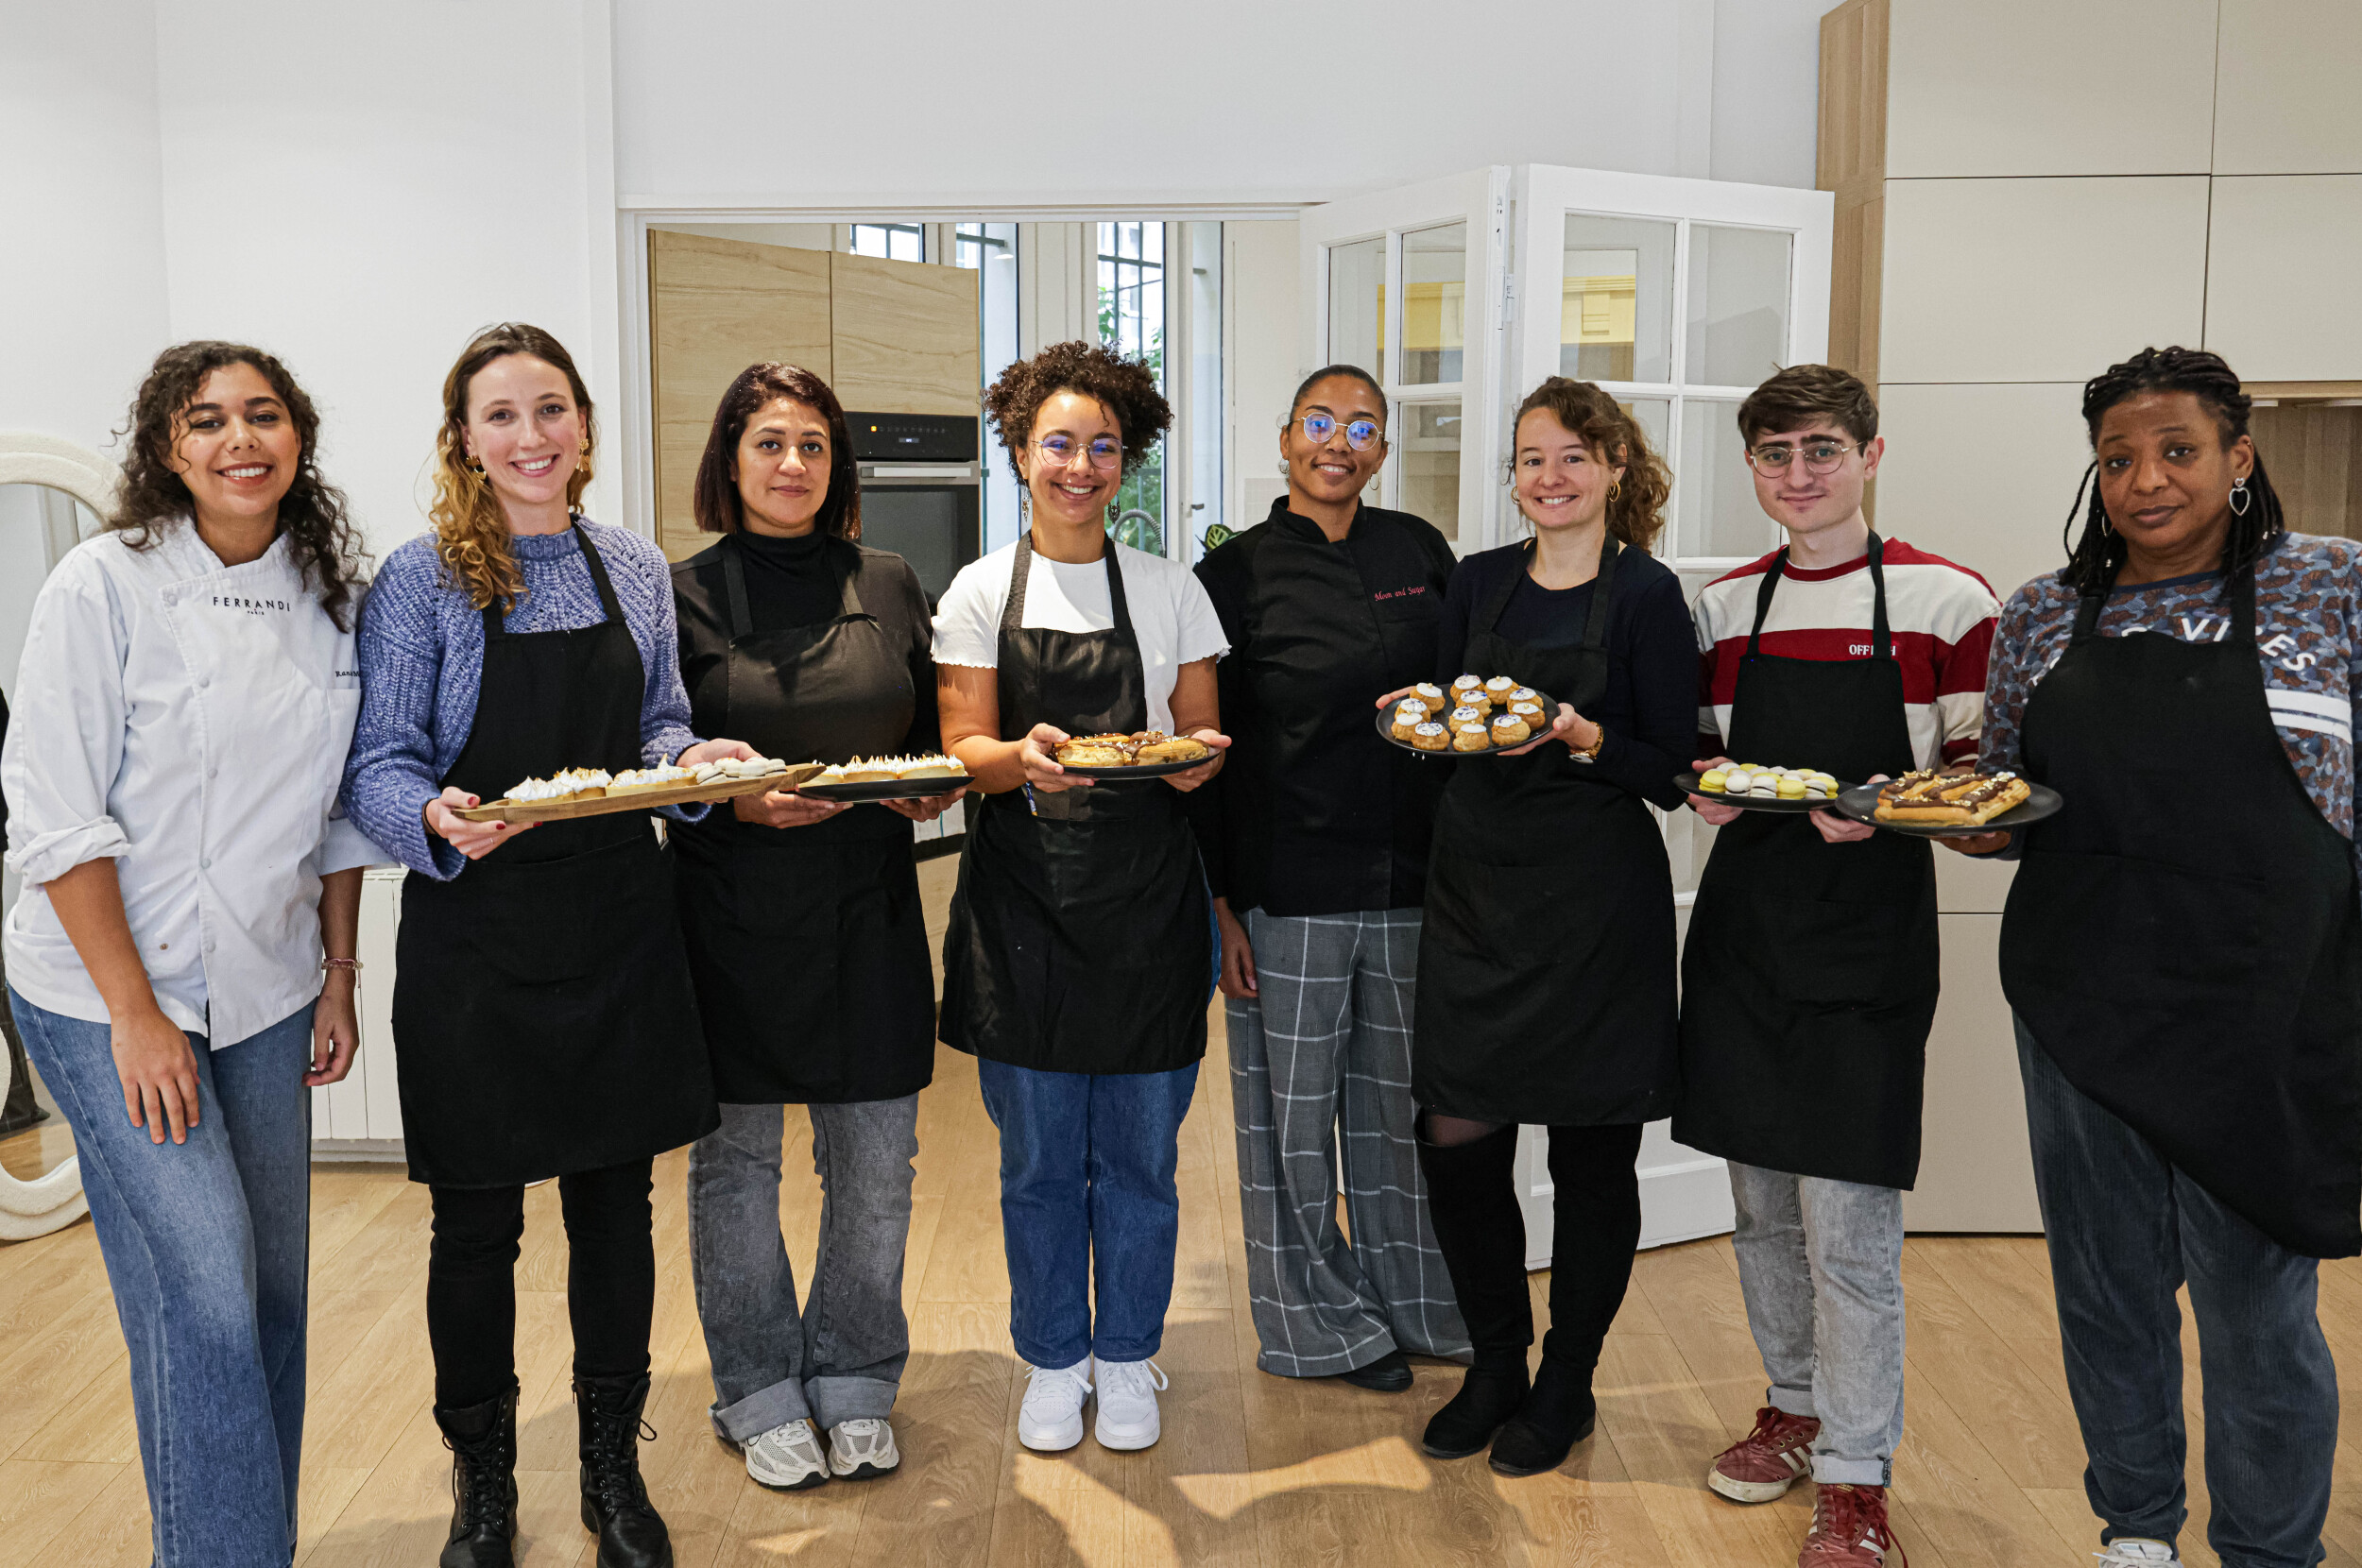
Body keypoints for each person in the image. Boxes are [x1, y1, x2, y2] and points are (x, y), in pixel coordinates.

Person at [343, 323, 748, 1568]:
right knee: (475, 1231)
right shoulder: (422, 580)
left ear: (583, 425)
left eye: (552, 410)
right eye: (503, 415)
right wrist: (431, 814)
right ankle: (483, 1482)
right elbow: (380, 764)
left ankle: (613, 1471)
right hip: (477, 931)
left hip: (621, 920)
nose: (532, 437)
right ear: (464, 437)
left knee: (616, 1215)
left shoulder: (630, 564)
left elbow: (659, 727)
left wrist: (696, 766)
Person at [1968, 347, 2359, 1568]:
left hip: (2271, 1007)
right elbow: (1999, 803)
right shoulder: (2041, 613)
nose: (2146, 481)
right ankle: (2136, 1528)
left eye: (2177, 451)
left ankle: (2267, 1551)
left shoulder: (2335, 589)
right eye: (2118, 458)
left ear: (2239, 459)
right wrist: (1950, 810)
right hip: (2082, 1000)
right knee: (2105, 1295)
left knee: (2259, 1313)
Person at [2, 342, 375, 1568]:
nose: (239, 439)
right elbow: (56, 822)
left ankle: (231, 1548)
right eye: (206, 420)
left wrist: (338, 972)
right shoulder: (99, 588)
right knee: (206, 1294)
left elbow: (333, 818)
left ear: (297, 439)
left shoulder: (328, 598)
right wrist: (135, 1013)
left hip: (266, 985)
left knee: (269, 1295)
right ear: (168, 448)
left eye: (262, 415)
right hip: (101, 988)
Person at [1675, 365, 1997, 1568]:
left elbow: (1975, 778)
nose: (1796, 475)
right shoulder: (1721, 607)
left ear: (1868, 453)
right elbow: (1705, 755)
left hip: (1867, 939)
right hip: (1746, 933)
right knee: (1759, 1205)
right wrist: (1705, 794)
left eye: (1818, 450)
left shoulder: (1943, 597)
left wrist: (1898, 813)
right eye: (1772, 455)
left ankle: (1858, 1475)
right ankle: (1793, 1405)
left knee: (1848, 1224)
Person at [934, 340, 1229, 1455]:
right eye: (1057, 442)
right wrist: (1025, 755)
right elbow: (965, 743)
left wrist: (1195, 758)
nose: (1079, 464)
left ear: (1126, 462)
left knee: (1141, 1161)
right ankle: (1055, 1356)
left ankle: (1129, 1352)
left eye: (1102, 446)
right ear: (1020, 453)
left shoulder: (1167, 587)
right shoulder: (976, 590)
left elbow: (1196, 735)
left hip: (1150, 910)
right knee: (1042, 1161)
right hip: (1023, 914)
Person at [670, 363, 961, 1491]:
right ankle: (753, 1385)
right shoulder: (680, 594)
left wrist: (931, 786)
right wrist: (732, 797)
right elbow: (657, 757)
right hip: (729, 916)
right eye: (769, 443)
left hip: (869, 911)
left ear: (837, 466)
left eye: (813, 446)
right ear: (730, 460)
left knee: (878, 1166)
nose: (792, 465)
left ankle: (853, 1376)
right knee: (736, 1166)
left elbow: (936, 729)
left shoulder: (888, 579)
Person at [1400, 377, 1695, 1477]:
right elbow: (1439, 717)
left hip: (1593, 909)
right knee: (1456, 1137)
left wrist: (1578, 735)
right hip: (1477, 894)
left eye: (1574, 455)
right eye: (1532, 458)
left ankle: (1567, 1380)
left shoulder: (1649, 594)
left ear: (1616, 468)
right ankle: (1495, 1363)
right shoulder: (1473, 583)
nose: (1551, 477)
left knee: (1590, 1153)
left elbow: (1669, 765)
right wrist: (1424, 734)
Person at [1191, 364, 1467, 1392]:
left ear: (1383, 450)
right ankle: (1317, 1326)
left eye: (1361, 427)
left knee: (1399, 1115)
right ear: (1283, 439)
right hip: (1287, 885)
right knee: (1290, 1124)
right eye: (1319, 422)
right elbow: (1205, 750)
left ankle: (1420, 1310)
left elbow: (1462, 704)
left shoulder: (1420, 553)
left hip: (1412, 884)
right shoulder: (1235, 574)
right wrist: (1220, 902)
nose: (1338, 442)